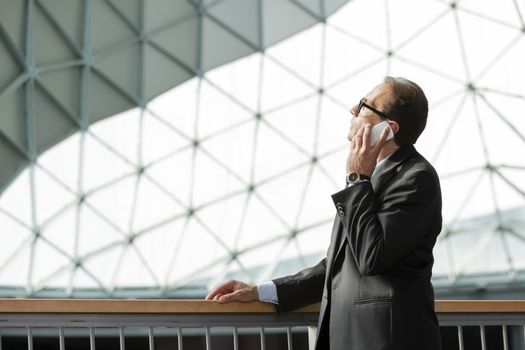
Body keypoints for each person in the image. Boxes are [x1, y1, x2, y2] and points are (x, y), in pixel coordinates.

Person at [206, 76, 443, 350]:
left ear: (388, 129)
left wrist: (356, 179)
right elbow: (337, 268)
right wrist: (260, 291)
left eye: (364, 105)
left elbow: (372, 256)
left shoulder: (416, 178)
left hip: (385, 341)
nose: (353, 111)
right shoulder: (372, 180)